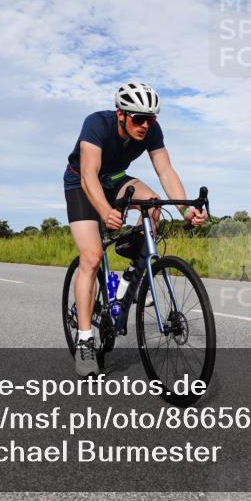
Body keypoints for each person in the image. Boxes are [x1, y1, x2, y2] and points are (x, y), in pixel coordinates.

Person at [64, 82, 207, 376]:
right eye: (138, 119)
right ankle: (85, 341)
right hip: (81, 183)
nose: (145, 125)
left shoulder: (152, 130)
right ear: (120, 114)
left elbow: (165, 171)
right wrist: (104, 211)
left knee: (154, 207)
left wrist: (185, 209)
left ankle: (132, 274)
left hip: (116, 178)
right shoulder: (96, 124)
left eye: (151, 119)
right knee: (90, 257)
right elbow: (90, 174)